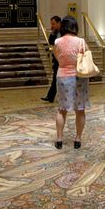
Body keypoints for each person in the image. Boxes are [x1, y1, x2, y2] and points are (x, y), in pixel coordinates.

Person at [53, 16, 89, 149]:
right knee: (80, 110)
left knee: (62, 109)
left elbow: (57, 57)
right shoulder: (81, 42)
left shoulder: (57, 41)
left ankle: (59, 139)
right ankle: (78, 139)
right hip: (79, 76)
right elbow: (87, 56)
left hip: (62, 76)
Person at [41, 15, 61, 102]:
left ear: (59, 23)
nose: (52, 26)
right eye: (51, 24)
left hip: (65, 59)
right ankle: (50, 96)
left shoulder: (65, 32)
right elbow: (50, 42)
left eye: (53, 24)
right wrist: (52, 32)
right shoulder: (55, 33)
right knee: (55, 78)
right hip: (57, 59)